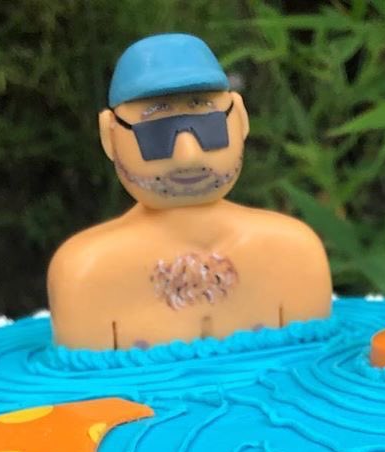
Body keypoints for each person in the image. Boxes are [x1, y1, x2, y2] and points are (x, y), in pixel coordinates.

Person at [47, 33, 332, 350]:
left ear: (240, 119)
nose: (188, 156)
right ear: (109, 136)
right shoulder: (87, 275)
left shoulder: (295, 256)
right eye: (156, 134)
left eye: (210, 126)